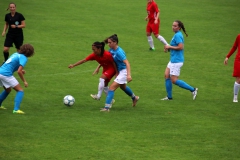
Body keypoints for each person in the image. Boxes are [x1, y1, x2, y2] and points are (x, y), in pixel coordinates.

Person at [101, 34, 139, 112]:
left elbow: (127, 63)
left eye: (110, 42)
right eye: (108, 42)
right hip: (119, 71)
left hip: (124, 71)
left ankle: (106, 108)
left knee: (111, 88)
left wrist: (128, 75)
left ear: (115, 42)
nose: (108, 44)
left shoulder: (119, 52)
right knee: (123, 87)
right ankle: (134, 98)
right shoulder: (111, 50)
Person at [162, 20, 198, 100]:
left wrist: (169, 47)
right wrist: (168, 49)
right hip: (173, 60)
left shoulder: (178, 35)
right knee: (167, 76)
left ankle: (193, 90)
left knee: (174, 80)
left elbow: (181, 47)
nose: (173, 27)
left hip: (176, 61)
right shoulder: (176, 35)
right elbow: (174, 47)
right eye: (172, 25)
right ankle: (169, 97)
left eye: (175, 26)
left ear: (179, 27)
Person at [0, 44, 34, 114]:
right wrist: (24, 81)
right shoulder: (24, 57)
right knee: (20, 90)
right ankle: (16, 109)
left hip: (1, 72)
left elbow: (10, 65)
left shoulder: (15, 54)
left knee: (8, 89)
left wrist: (21, 70)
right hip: (6, 74)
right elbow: (19, 71)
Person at [224, 34, 240, 103]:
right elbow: (234, 47)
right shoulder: (239, 36)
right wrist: (227, 57)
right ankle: (235, 96)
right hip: (239, 60)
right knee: (238, 78)